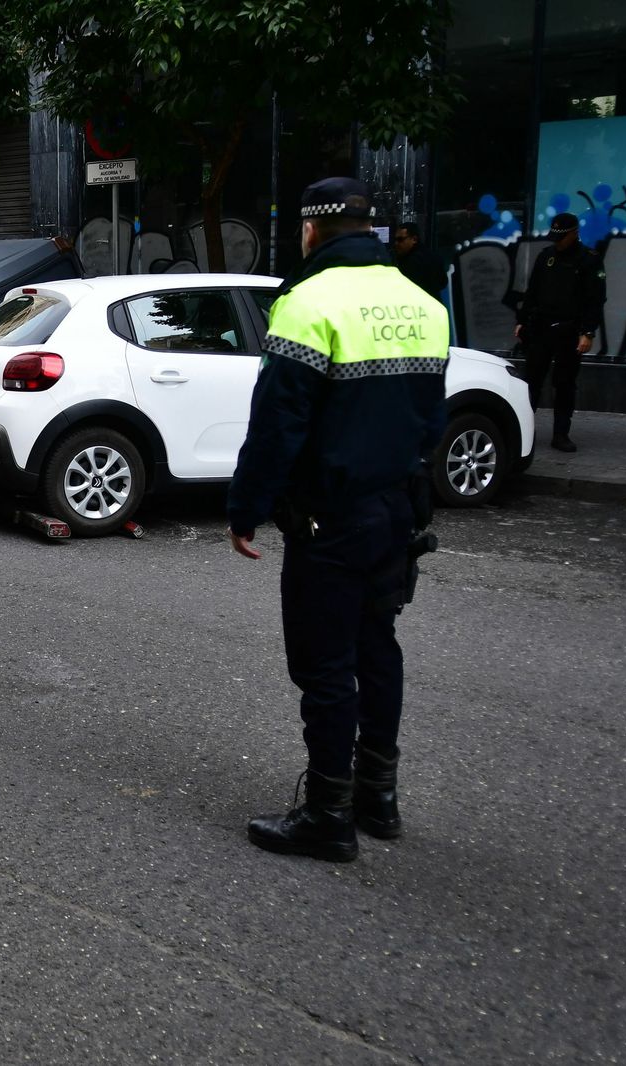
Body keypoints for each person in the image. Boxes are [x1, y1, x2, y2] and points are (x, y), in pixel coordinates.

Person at [226, 177, 449, 863]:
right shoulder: (423, 302)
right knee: (378, 646)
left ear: (312, 229)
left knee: (325, 666)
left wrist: (248, 507)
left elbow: (279, 422)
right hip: (397, 508)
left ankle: (327, 814)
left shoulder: (305, 301)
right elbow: (430, 416)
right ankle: (377, 797)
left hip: (331, 515)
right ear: (372, 230)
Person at [515, 212, 607, 452]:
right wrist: (522, 320)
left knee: (564, 384)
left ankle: (560, 434)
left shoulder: (589, 260)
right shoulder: (546, 256)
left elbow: (595, 300)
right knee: (531, 382)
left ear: (574, 234)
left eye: (561, 237)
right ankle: (523, 431)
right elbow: (532, 291)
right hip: (541, 329)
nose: (557, 242)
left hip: (570, 331)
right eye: (555, 236)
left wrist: (588, 332)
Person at [391, 221, 448, 298]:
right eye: (395, 240)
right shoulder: (433, 256)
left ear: (414, 239)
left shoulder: (409, 262)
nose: (396, 243)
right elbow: (443, 282)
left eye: (400, 239)